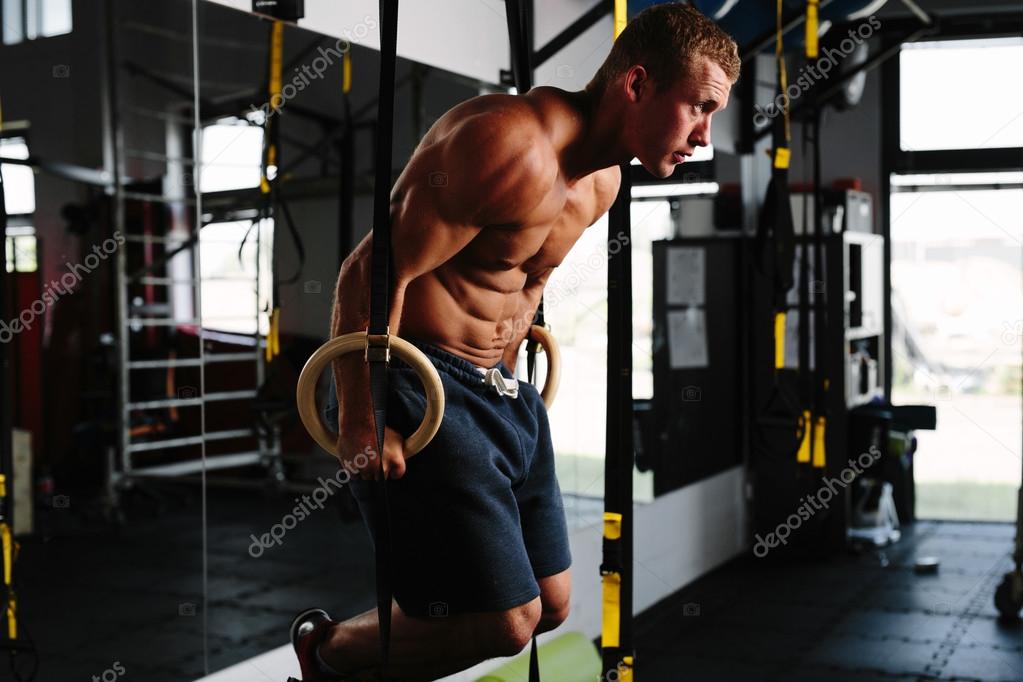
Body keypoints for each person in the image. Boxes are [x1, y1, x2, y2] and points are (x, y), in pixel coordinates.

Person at [292, 3, 739, 681]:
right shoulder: (505, 141)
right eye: (698, 107)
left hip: (499, 396)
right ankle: (326, 651)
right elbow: (368, 270)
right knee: (504, 623)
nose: (704, 135)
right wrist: (359, 418)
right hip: (421, 387)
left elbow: (524, 282)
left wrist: (510, 367)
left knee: (552, 605)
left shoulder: (605, 181)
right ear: (637, 85)